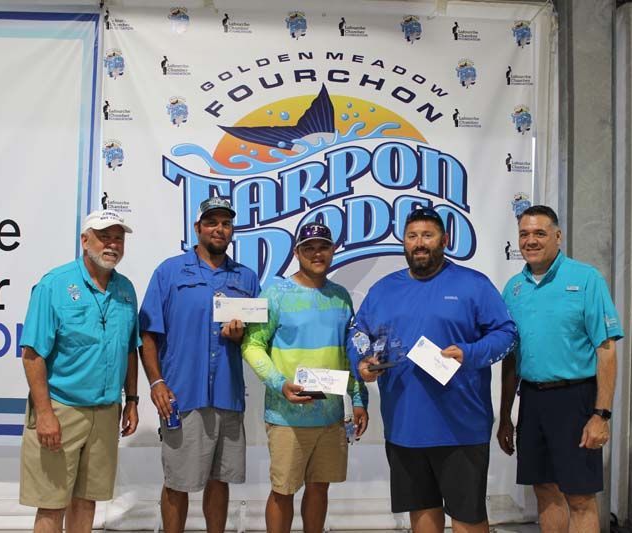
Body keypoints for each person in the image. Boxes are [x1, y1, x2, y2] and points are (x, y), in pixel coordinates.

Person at [348, 207, 517, 533]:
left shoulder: (473, 285)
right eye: (412, 236)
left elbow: (506, 335)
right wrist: (363, 361)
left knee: (468, 518)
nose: (419, 243)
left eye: (428, 235)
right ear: (404, 243)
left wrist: (469, 353)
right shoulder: (384, 290)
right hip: (404, 427)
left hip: (461, 426)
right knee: (422, 515)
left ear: (445, 240)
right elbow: (357, 333)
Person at [497, 205, 623, 533]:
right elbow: (510, 358)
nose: (531, 240)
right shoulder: (513, 289)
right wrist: (506, 415)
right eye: (524, 234)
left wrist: (602, 415)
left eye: (540, 233)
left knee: (580, 497)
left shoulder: (586, 279)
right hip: (533, 401)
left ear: (558, 236)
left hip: (577, 401)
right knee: (544, 490)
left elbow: (606, 352)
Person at [139, 197, 260, 533]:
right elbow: (148, 335)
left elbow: (257, 339)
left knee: (220, 481)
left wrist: (241, 336)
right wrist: (156, 383)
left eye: (225, 223)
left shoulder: (246, 279)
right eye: (211, 222)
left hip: (228, 395)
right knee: (177, 482)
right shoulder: (169, 272)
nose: (219, 229)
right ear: (198, 228)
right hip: (183, 395)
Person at [242, 222, 369, 533]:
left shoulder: (341, 297)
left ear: (333, 250)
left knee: (319, 488)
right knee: (283, 491)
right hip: (287, 416)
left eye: (323, 246)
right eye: (309, 248)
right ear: (297, 252)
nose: (317, 253)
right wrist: (278, 383)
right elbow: (252, 344)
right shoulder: (275, 291)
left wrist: (357, 399)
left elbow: (349, 354)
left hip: (329, 416)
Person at [19, 209, 140, 533]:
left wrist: (131, 400)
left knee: (87, 500)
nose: (112, 244)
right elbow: (32, 355)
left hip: (105, 411)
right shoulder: (54, 285)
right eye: (104, 236)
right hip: (61, 408)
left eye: (118, 238)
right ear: (85, 240)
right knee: (52, 502)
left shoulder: (126, 290)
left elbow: (130, 349)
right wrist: (44, 413)